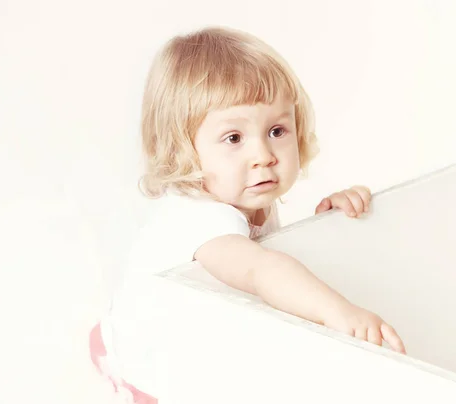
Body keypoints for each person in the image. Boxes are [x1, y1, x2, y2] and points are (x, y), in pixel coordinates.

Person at [90, 25, 405, 403]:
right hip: (147, 355)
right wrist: (338, 311)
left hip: (200, 322)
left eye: (276, 130)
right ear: (181, 151)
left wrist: (323, 223)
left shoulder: (246, 195)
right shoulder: (200, 219)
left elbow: (271, 250)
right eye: (234, 138)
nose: (263, 155)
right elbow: (260, 269)